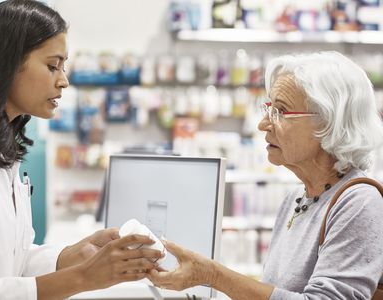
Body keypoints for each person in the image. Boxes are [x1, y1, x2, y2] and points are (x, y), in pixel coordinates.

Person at [148, 51, 383, 299]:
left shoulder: (359, 203)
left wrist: (214, 276)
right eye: (269, 108)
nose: (263, 124)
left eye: (280, 111)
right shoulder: (296, 199)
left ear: (328, 123)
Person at [0, 1, 163, 299]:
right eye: (52, 66)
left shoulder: (1, 151)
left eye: (63, 66)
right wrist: (80, 278)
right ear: (8, 62)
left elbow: (12, 262)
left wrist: (72, 256)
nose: (63, 81)